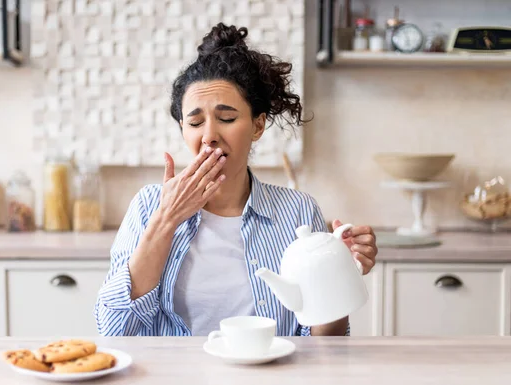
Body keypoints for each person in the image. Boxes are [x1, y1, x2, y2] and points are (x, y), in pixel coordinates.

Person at [94, 23, 377, 337]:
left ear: (257, 126)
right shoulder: (149, 206)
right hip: (174, 384)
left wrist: (336, 276)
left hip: (272, 383)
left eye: (227, 118)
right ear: (182, 129)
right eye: (195, 122)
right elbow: (115, 330)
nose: (210, 136)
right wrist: (167, 218)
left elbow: (324, 346)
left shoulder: (297, 211)